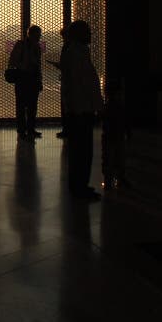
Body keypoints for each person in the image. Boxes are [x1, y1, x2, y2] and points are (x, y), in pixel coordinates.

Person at [62, 20, 104, 200]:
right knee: (82, 151)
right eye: (87, 32)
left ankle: (78, 186)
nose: (90, 35)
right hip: (81, 110)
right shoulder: (78, 55)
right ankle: (80, 187)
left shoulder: (74, 53)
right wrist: (97, 107)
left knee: (78, 151)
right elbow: (86, 85)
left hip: (78, 109)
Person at [8, 25, 43, 140]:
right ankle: (25, 129)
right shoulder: (23, 45)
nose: (39, 37)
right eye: (38, 34)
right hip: (25, 77)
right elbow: (13, 61)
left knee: (29, 105)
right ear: (32, 34)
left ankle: (27, 129)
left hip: (28, 78)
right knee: (24, 105)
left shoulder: (34, 47)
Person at [102, 78, 131, 190]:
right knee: (117, 158)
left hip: (111, 137)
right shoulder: (118, 107)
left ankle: (110, 179)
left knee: (112, 158)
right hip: (115, 137)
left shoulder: (108, 107)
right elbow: (125, 121)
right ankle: (118, 178)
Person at [48, 25, 69, 138]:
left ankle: (67, 129)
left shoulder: (68, 47)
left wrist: (59, 66)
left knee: (66, 105)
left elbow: (67, 64)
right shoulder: (75, 47)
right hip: (69, 78)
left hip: (68, 80)